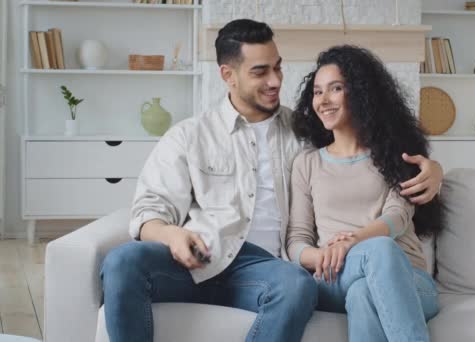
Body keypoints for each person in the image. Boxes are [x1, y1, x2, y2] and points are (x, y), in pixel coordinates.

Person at [100, 19, 443, 342]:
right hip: (202, 257)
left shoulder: (305, 134)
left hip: (266, 270)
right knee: (121, 261)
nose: (276, 80)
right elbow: (149, 209)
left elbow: (363, 149)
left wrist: (432, 169)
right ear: (228, 75)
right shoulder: (190, 136)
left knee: (298, 286)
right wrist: (170, 233)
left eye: (278, 67)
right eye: (260, 71)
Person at [287, 45, 443, 342]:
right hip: (334, 277)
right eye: (318, 92)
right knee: (376, 255)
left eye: (335, 89)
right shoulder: (306, 164)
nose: (324, 100)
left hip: (409, 279)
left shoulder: (397, 155)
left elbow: (397, 216)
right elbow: (296, 240)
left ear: (360, 93)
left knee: (365, 288)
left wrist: (351, 242)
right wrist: (323, 256)